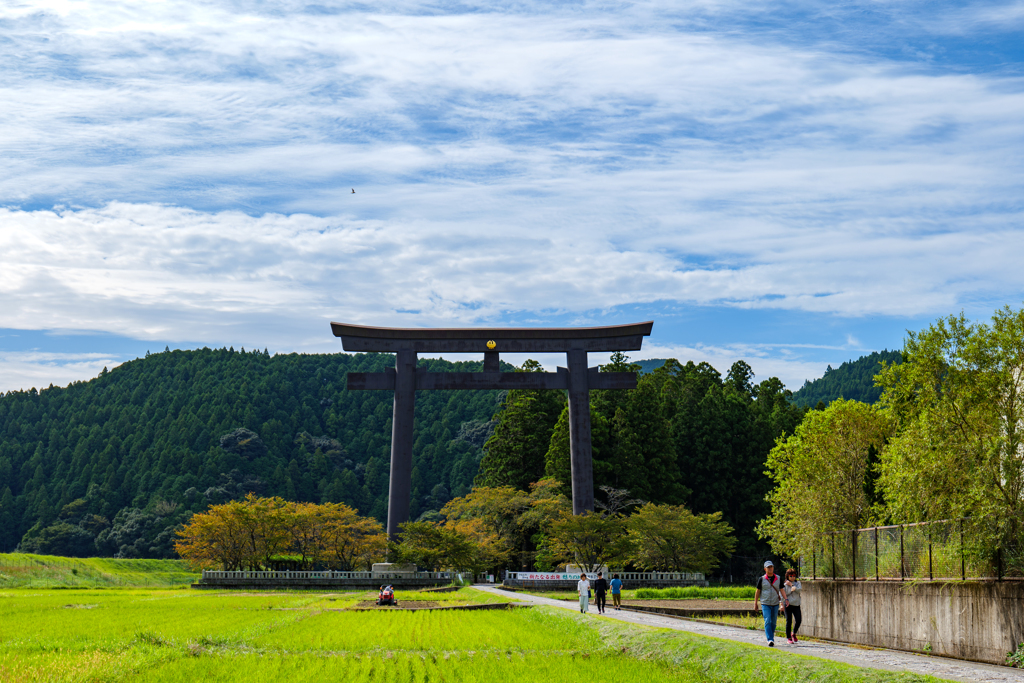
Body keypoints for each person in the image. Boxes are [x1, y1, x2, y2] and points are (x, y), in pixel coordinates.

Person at [753, 560, 783, 646]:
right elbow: (757, 591)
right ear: (765, 569)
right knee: (767, 620)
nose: (770, 569)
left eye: (771, 567)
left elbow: (781, 590)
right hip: (765, 603)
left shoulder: (778, 578)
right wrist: (755, 603)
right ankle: (770, 639)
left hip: (775, 603)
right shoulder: (761, 579)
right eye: (768, 567)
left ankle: (770, 635)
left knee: (773, 622)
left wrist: (785, 600)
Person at [784, 568, 802, 644]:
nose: (792, 577)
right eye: (790, 576)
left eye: (794, 576)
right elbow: (784, 594)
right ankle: (788, 637)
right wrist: (782, 604)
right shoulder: (785, 585)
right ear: (787, 576)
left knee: (798, 620)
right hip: (788, 604)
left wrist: (792, 585)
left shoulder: (798, 583)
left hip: (796, 604)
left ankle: (794, 633)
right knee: (789, 621)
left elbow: (798, 590)